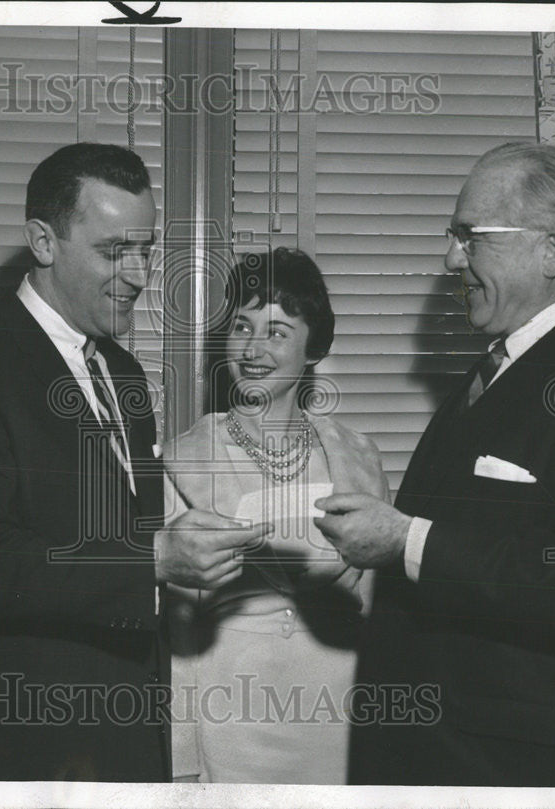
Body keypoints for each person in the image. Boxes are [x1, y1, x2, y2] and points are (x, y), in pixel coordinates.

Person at [0, 142, 268, 782]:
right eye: (112, 252)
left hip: (131, 729)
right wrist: (155, 559)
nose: (137, 275)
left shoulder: (124, 373)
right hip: (32, 742)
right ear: (43, 242)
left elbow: (125, 538)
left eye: (146, 251)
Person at [315, 142, 555, 787]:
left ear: (552, 251)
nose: (451, 259)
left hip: (516, 770)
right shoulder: (500, 367)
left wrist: (404, 540)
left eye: (471, 238)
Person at [164, 247, 389, 784]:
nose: (252, 348)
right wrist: (181, 759)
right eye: (242, 326)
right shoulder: (181, 459)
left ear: (313, 350)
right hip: (230, 711)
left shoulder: (358, 455)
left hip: (339, 706)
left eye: (277, 331)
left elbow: (378, 608)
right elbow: (175, 635)